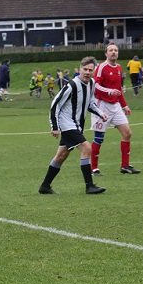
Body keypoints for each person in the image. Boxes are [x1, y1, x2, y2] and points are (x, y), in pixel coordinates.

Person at [39, 56, 107, 195]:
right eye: (85, 69)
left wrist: (101, 113)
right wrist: (55, 126)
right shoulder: (72, 85)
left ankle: (45, 186)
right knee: (87, 148)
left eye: (90, 70)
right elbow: (55, 105)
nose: (87, 72)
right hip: (67, 124)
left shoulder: (92, 83)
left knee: (61, 156)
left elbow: (90, 103)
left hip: (76, 126)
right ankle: (89, 186)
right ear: (79, 69)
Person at [90, 44, 141, 175]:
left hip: (115, 106)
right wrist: (109, 91)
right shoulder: (101, 67)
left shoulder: (118, 67)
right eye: (111, 50)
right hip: (101, 105)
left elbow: (118, 89)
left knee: (127, 133)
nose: (113, 52)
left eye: (116, 50)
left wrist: (124, 105)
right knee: (99, 138)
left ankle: (125, 166)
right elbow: (95, 85)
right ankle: (94, 168)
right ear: (106, 53)